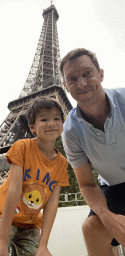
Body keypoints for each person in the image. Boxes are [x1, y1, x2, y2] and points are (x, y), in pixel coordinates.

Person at [0, 96, 69, 256]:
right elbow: (14, 189)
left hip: (30, 223)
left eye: (57, 119)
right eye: (44, 119)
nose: (51, 123)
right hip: (2, 214)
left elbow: (52, 203)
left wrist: (43, 245)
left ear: (62, 125)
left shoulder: (62, 163)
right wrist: (2, 240)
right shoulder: (22, 146)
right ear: (32, 127)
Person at [60, 48, 125, 256]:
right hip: (114, 187)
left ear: (101, 74)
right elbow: (87, 183)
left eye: (87, 73)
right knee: (91, 229)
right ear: (65, 86)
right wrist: (107, 216)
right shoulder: (69, 131)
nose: (82, 83)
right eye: (72, 78)